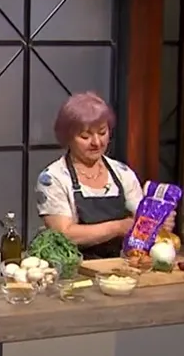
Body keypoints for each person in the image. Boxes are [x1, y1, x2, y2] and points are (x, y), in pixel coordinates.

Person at [35, 91, 173, 258]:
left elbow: (140, 223)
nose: (96, 142)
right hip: (76, 267)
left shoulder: (122, 173)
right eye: (85, 136)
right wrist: (118, 227)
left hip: (121, 266)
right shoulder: (53, 178)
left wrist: (159, 223)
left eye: (102, 133)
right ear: (67, 137)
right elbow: (64, 234)